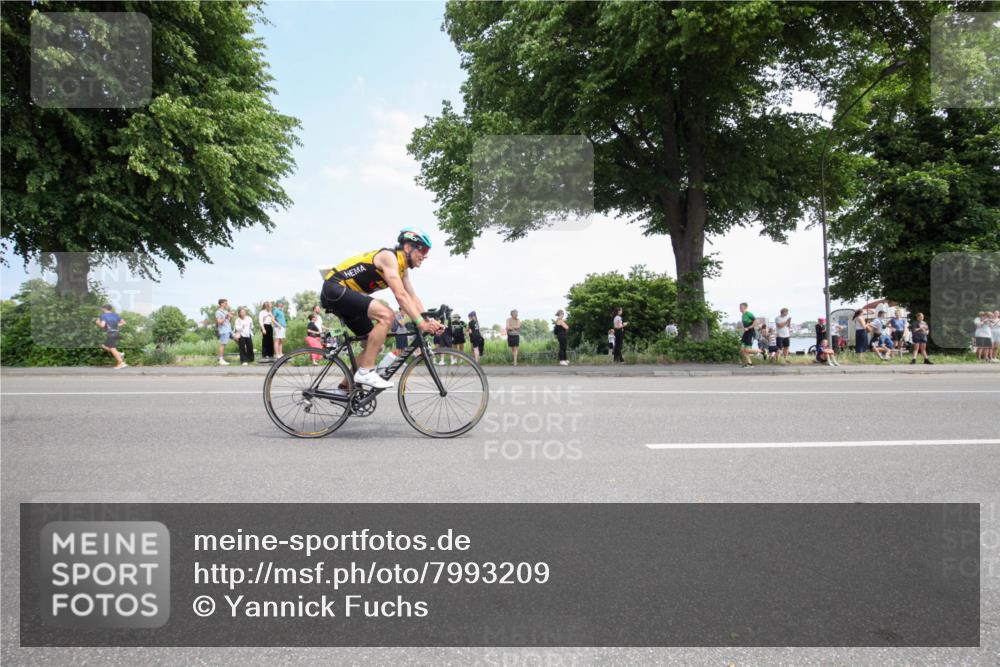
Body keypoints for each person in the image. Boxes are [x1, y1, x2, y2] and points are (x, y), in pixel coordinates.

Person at [320, 227, 444, 389]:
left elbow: (412, 297)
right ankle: (365, 371)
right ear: (408, 247)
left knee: (375, 345)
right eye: (423, 250)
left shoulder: (402, 270)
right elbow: (400, 295)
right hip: (335, 288)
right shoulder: (389, 257)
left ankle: (345, 387)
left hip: (347, 297)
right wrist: (420, 323)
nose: (425, 255)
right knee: (387, 315)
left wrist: (428, 320)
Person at [96, 304, 127, 369]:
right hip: (116, 333)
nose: (102, 310)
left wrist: (98, 322)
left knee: (112, 348)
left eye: (102, 309)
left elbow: (102, 325)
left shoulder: (103, 315)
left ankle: (121, 363)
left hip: (111, 333)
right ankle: (119, 354)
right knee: (104, 346)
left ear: (104, 309)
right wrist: (116, 325)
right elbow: (124, 322)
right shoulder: (115, 315)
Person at [215, 298, 232, 365]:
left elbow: (227, 321)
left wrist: (230, 317)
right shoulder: (218, 312)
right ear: (221, 304)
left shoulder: (225, 311)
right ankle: (221, 360)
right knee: (223, 344)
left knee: (238, 339)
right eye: (225, 303)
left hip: (229, 329)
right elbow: (219, 322)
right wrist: (226, 316)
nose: (227, 304)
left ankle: (247, 351)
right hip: (223, 331)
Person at [739, 302, 756, 367]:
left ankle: (762, 351)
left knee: (747, 350)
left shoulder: (749, 314)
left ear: (745, 307)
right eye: (739, 307)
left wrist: (748, 328)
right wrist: (743, 328)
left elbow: (756, 321)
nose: (739, 309)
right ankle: (750, 363)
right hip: (745, 333)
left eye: (741, 307)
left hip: (751, 333)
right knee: (742, 349)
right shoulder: (743, 315)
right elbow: (744, 325)